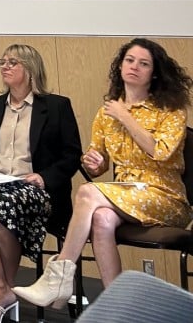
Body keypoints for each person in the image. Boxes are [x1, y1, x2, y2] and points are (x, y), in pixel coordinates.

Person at [14, 38, 193, 309]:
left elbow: (161, 152)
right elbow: (97, 167)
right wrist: (93, 162)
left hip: (166, 198)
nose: (134, 67)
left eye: (143, 64)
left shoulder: (170, 110)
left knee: (86, 192)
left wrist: (126, 116)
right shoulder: (106, 113)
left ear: (154, 73)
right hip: (126, 195)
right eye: (129, 60)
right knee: (101, 218)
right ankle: (118, 306)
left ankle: (58, 278)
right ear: (120, 67)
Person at [0, 44, 82, 323]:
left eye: (13, 62)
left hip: (36, 188)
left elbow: (71, 154)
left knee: (1, 203)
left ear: (30, 69)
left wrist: (44, 176)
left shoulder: (56, 106)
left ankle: (2, 291)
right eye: (2, 61)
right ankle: (1, 289)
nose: (5, 66)